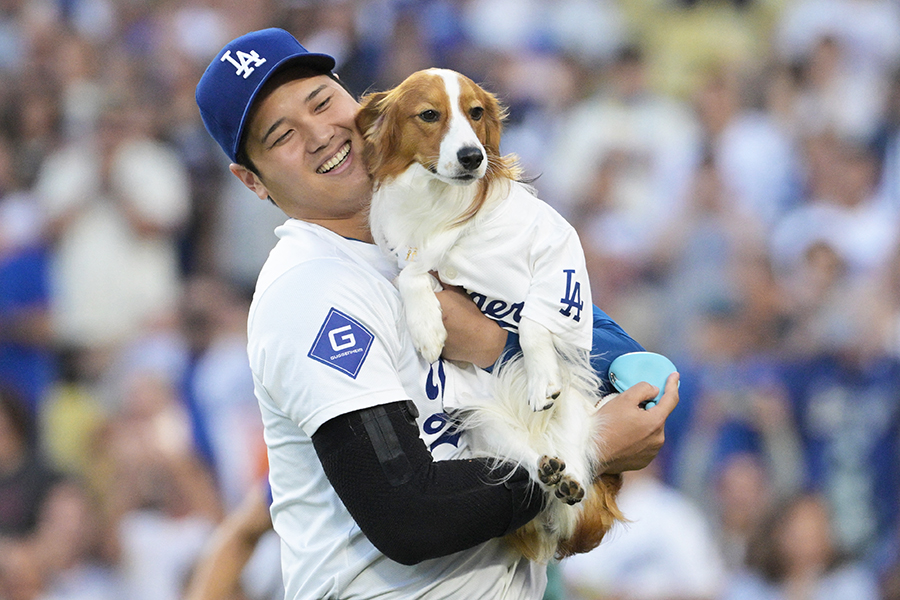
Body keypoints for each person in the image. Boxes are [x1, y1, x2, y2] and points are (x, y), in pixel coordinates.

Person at [195, 27, 679, 600]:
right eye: (281, 136)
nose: (321, 134)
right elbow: (407, 510)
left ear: (358, 102)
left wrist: (498, 348)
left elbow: (602, 350)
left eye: (322, 102)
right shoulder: (309, 290)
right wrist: (591, 446)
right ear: (252, 180)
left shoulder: (442, 209)